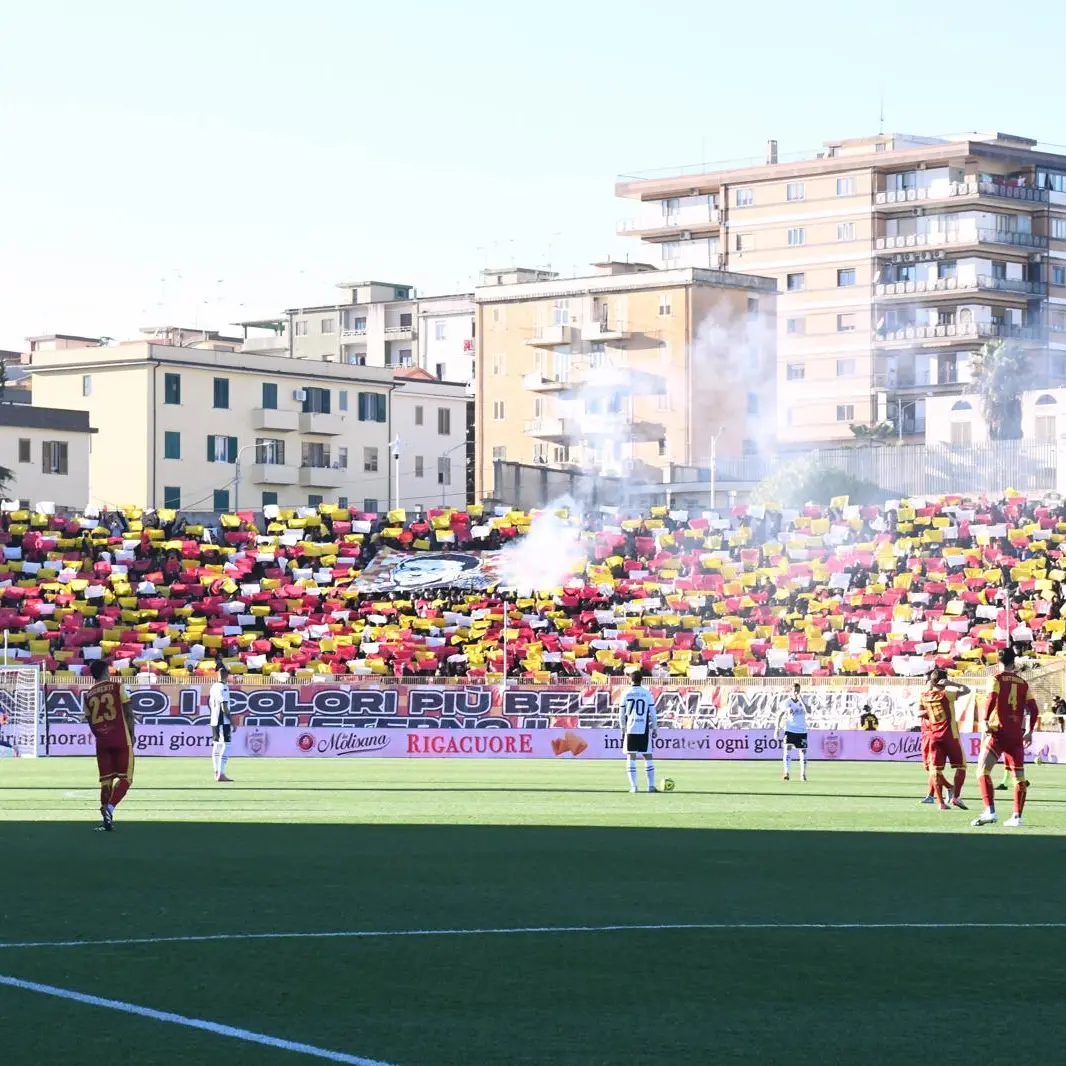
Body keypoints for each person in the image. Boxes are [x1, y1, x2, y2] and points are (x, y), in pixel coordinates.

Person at [972, 647, 1039, 828]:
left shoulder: (996, 678)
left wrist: (985, 720)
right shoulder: (1023, 683)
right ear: (1013, 662)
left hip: (998, 731)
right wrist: (1030, 730)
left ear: (999, 661)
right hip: (1016, 735)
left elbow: (991, 698)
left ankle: (990, 811)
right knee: (1019, 778)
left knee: (982, 771)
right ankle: (1017, 817)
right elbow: (1034, 710)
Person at [83, 659, 135, 832]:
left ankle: (105, 820)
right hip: (120, 737)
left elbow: (90, 721)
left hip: (102, 741)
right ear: (106, 671)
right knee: (126, 778)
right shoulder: (117, 686)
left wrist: (99, 734)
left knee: (106, 781)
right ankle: (110, 808)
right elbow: (128, 711)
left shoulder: (88, 694)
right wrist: (132, 734)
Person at [918, 667, 968, 811]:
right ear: (943, 679)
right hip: (950, 736)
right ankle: (956, 796)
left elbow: (918, 712)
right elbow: (966, 690)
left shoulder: (924, 695)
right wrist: (951, 683)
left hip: (933, 736)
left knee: (935, 769)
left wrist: (928, 711)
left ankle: (940, 803)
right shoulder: (946, 694)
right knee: (961, 766)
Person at [620, 670, 657, 793]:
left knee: (631, 756)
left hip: (630, 728)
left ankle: (634, 787)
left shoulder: (626, 693)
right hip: (644, 728)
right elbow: (653, 713)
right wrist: (655, 727)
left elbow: (621, 714)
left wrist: (622, 728)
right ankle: (651, 786)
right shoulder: (647, 693)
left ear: (630, 680)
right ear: (642, 680)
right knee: (648, 756)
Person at [775, 683, 809, 782]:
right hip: (790, 729)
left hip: (802, 730)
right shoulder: (786, 702)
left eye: (798, 690)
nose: (796, 692)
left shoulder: (804, 701)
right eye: (794, 690)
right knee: (787, 748)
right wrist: (777, 728)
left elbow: (809, 711)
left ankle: (803, 774)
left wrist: (801, 700)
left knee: (803, 751)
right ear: (791, 691)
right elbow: (780, 715)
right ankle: (786, 773)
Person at [209, 665, 235, 782]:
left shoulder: (213, 686)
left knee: (217, 745)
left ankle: (216, 772)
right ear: (227, 676)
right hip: (222, 720)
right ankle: (221, 773)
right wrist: (232, 722)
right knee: (226, 745)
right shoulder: (224, 687)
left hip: (214, 719)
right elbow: (224, 707)